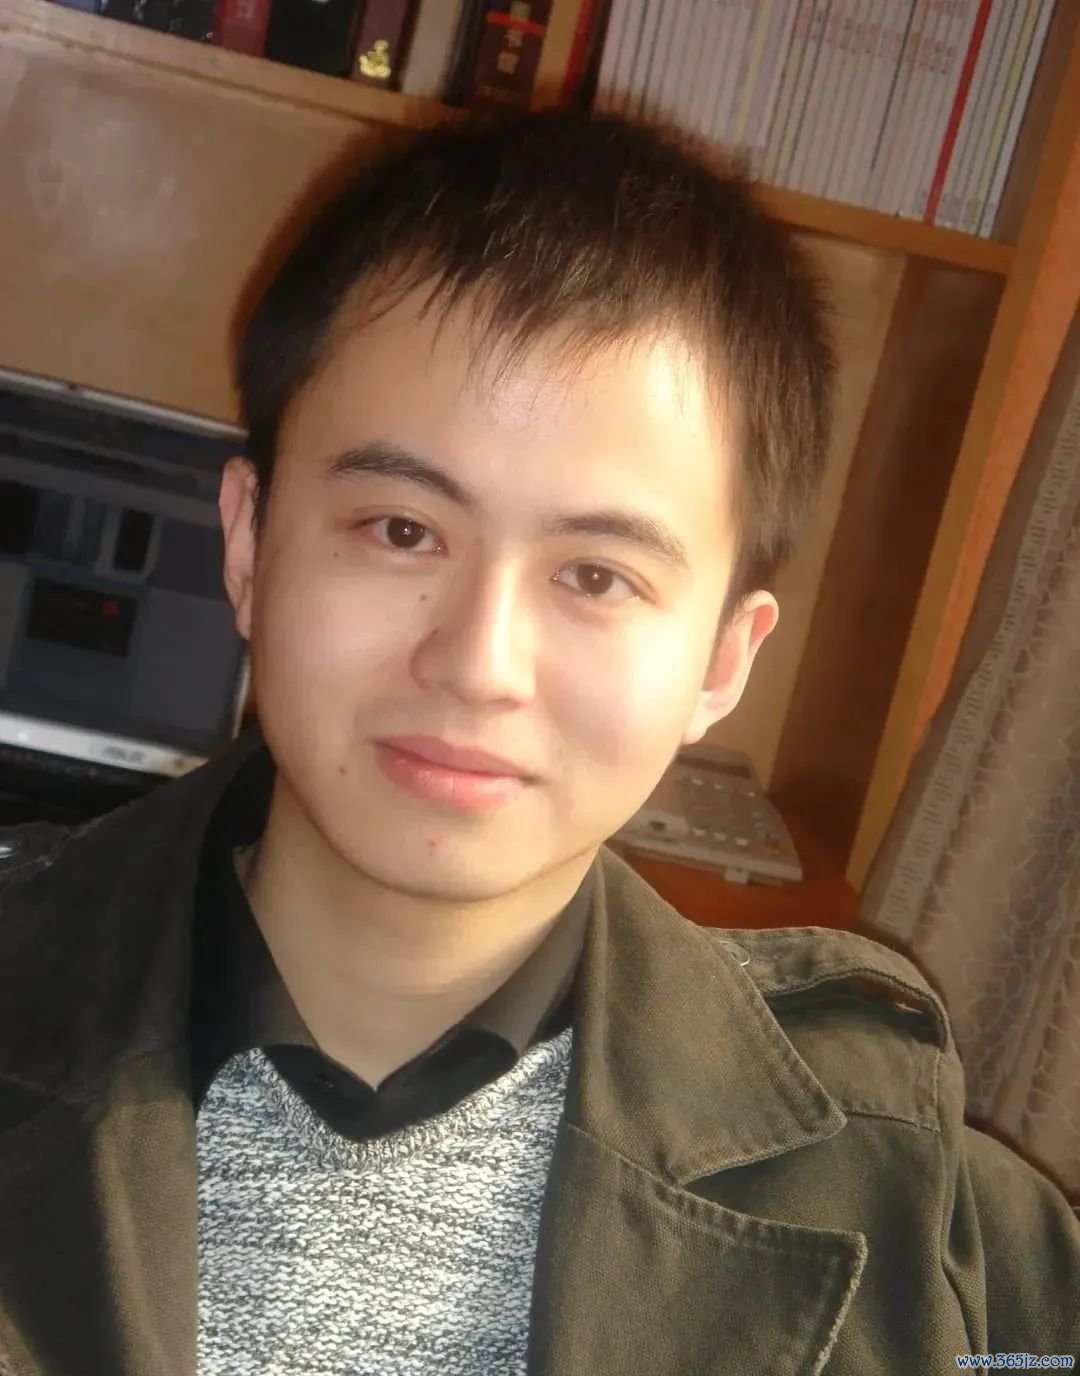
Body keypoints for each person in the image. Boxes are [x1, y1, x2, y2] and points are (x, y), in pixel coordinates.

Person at [0, 106, 1077, 1376]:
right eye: (402, 529)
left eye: (597, 575)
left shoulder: (926, 1224)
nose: (478, 662)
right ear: (249, 543)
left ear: (722, 660)